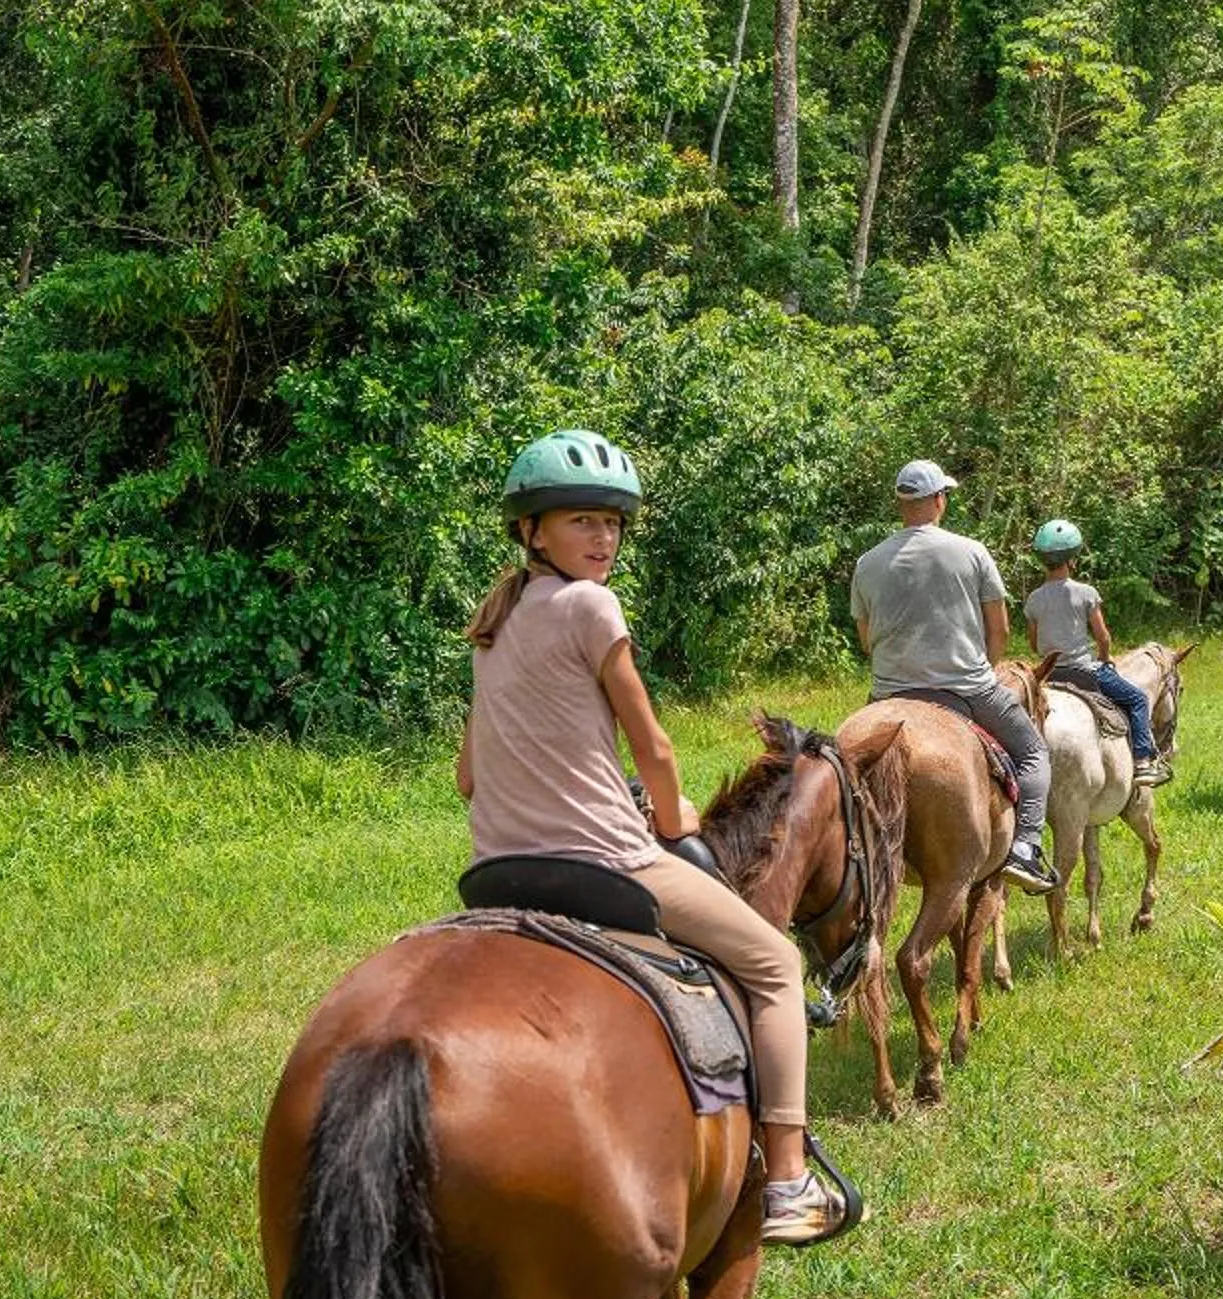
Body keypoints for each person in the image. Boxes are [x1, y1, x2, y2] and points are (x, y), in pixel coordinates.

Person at [457, 429, 855, 1246]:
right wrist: (675, 826)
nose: (602, 539)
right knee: (777, 965)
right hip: (606, 862)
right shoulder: (593, 606)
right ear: (532, 530)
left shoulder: (494, 622)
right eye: (580, 522)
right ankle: (786, 1180)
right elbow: (654, 745)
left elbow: (467, 776)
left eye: (613, 525)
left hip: (496, 868)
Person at [850, 460, 1060, 893]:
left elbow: (867, 641)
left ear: (901, 502)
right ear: (939, 500)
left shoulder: (868, 563)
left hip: (888, 693)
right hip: (966, 688)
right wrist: (984, 667)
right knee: (1034, 752)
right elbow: (998, 629)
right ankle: (1025, 850)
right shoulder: (971, 552)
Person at [1022, 519, 1171, 786]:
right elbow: (1103, 637)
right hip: (1084, 672)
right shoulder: (1086, 593)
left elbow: (1034, 645)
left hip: (1049, 676)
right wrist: (1105, 659)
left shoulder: (1033, 599)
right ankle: (1142, 762)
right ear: (1072, 559)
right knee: (1137, 699)